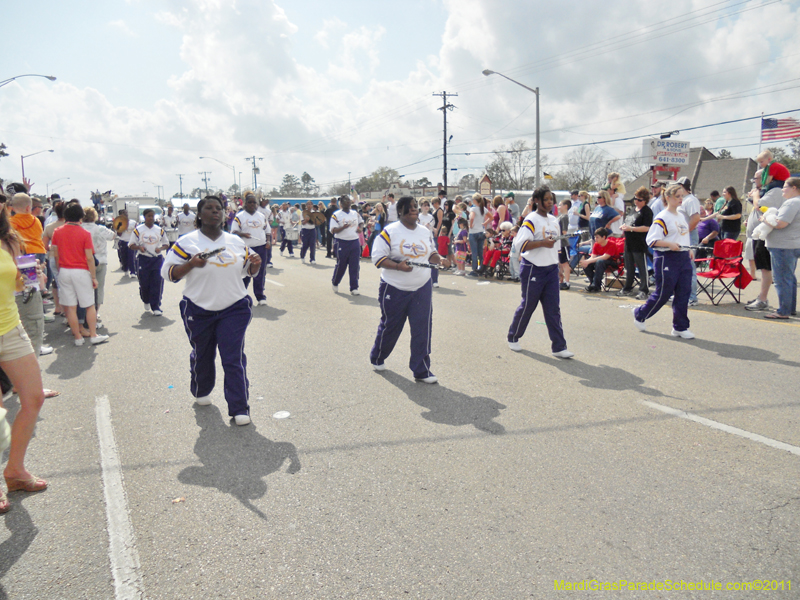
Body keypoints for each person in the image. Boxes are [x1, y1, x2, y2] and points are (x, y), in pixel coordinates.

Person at [161, 195, 262, 425]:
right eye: (209, 208)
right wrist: (190, 264)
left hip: (234, 307)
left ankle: (239, 408)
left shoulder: (235, 241)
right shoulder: (187, 242)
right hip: (198, 308)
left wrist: (254, 265)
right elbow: (168, 273)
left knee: (233, 357)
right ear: (200, 214)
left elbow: (247, 271)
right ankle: (201, 388)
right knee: (203, 354)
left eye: (219, 208)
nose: (215, 211)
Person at [369, 196, 450, 382]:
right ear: (400, 211)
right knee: (391, 326)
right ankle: (378, 356)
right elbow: (378, 258)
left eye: (415, 206)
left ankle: (421, 370)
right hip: (394, 288)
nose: (414, 209)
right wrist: (398, 266)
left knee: (422, 328)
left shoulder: (424, 231)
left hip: (421, 287)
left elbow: (431, 252)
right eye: (410, 207)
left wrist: (441, 260)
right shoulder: (390, 231)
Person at [0, 209, 48, 513]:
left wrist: (32, 278)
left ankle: (15, 471)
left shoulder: (9, 240)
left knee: (33, 399)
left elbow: (18, 284)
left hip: (10, 328)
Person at [507, 187, 574, 358]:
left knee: (553, 309)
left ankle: (559, 346)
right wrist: (542, 243)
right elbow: (520, 245)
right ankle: (513, 337)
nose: (550, 202)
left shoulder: (554, 220)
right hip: (533, 268)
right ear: (537, 201)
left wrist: (559, 267)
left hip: (551, 269)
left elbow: (556, 247)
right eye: (546, 199)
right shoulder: (531, 219)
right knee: (528, 305)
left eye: (551, 199)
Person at [633, 184, 695, 339]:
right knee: (663, 293)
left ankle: (680, 327)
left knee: (684, 292)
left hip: (683, 257)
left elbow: (682, 236)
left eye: (682, 196)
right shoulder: (662, 217)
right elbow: (652, 240)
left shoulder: (680, 216)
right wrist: (669, 244)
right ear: (668, 197)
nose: (681, 199)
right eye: (677, 196)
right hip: (666, 257)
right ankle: (640, 314)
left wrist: (688, 249)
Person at [51, 204, 109, 346]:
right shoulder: (85, 233)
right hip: (81, 271)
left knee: (70, 306)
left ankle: (77, 337)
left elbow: (55, 254)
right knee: (89, 305)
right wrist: (94, 277)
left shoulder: (57, 232)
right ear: (81, 217)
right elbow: (89, 258)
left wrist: (59, 270)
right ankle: (94, 334)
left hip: (64, 270)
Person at [763, 177, 800, 320]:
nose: (782, 189)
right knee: (789, 277)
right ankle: (788, 308)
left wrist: (765, 219)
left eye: (785, 186)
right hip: (792, 244)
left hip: (783, 246)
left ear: (794, 188)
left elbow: (780, 224)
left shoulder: (792, 203)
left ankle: (783, 311)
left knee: (782, 279)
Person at [231, 192, 271, 306]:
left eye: (254, 202)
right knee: (245, 272)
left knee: (260, 272)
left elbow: (267, 231)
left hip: (261, 247)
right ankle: (241, 295)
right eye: (250, 202)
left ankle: (260, 296)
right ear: (245, 204)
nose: (252, 204)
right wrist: (243, 234)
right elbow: (233, 232)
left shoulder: (261, 216)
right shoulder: (239, 216)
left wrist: (268, 241)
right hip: (246, 249)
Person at [129, 208, 170, 316]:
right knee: (144, 283)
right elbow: (131, 244)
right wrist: (139, 247)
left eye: (152, 216)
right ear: (144, 217)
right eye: (149, 216)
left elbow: (166, 244)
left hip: (157, 259)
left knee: (157, 282)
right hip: (143, 259)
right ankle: (146, 299)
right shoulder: (138, 230)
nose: (151, 218)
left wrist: (160, 249)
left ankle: (156, 305)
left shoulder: (159, 230)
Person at [617, 187, 654, 299]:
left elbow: (647, 228)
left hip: (639, 243)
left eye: (639, 200)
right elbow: (628, 222)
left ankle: (644, 289)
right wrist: (624, 227)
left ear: (645, 201)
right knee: (629, 267)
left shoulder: (647, 211)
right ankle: (627, 288)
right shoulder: (633, 209)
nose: (636, 201)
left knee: (642, 267)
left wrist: (631, 229)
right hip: (629, 242)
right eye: (635, 199)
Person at [81, 207, 116, 320]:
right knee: (99, 288)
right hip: (101, 261)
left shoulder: (79, 229)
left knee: (85, 288)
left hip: (84, 262)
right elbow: (113, 236)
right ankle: (95, 313)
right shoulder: (100, 229)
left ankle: (85, 312)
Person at [676, 177, 702, 307]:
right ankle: (681, 294)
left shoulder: (691, 200)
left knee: (689, 267)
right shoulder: (683, 200)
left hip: (689, 235)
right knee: (680, 267)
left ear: (682, 186)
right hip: (683, 235)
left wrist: (684, 234)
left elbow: (696, 218)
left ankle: (692, 297)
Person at [330, 195, 363, 295]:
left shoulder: (355, 213)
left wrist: (360, 228)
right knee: (342, 265)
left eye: (349, 200)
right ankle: (335, 282)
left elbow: (361, 222)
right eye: (345, 201)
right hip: (341, 242)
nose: (348, 202)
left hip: (354, 241)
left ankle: (354, 287)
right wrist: (343, 228)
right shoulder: (336, 215)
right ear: (341, 203)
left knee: (355, 265)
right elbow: (333, 230)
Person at [579, 228, 620, 293]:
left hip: (613, 262)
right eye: (595, 237)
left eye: (597, 237)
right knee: (587, 264)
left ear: (604, 237)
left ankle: (595, 285)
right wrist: (586, 262)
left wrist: (588, 261)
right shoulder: (596, 244)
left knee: (599, 262)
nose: (595, 239)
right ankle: (593, 283)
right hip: (600, 263)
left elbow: (605, 257)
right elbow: (593, 256)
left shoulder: (611, 244)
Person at [467, 193, 486, 276]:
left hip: (473, 232)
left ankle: (474, 269)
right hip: (481, 231)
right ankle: (481, 268)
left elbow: (472, 217)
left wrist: (470, 225)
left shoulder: (473, 209)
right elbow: (491, 217)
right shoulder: (483, 209)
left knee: (474, 252)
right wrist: (484, 223)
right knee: (480, 252)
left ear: (475, 200)